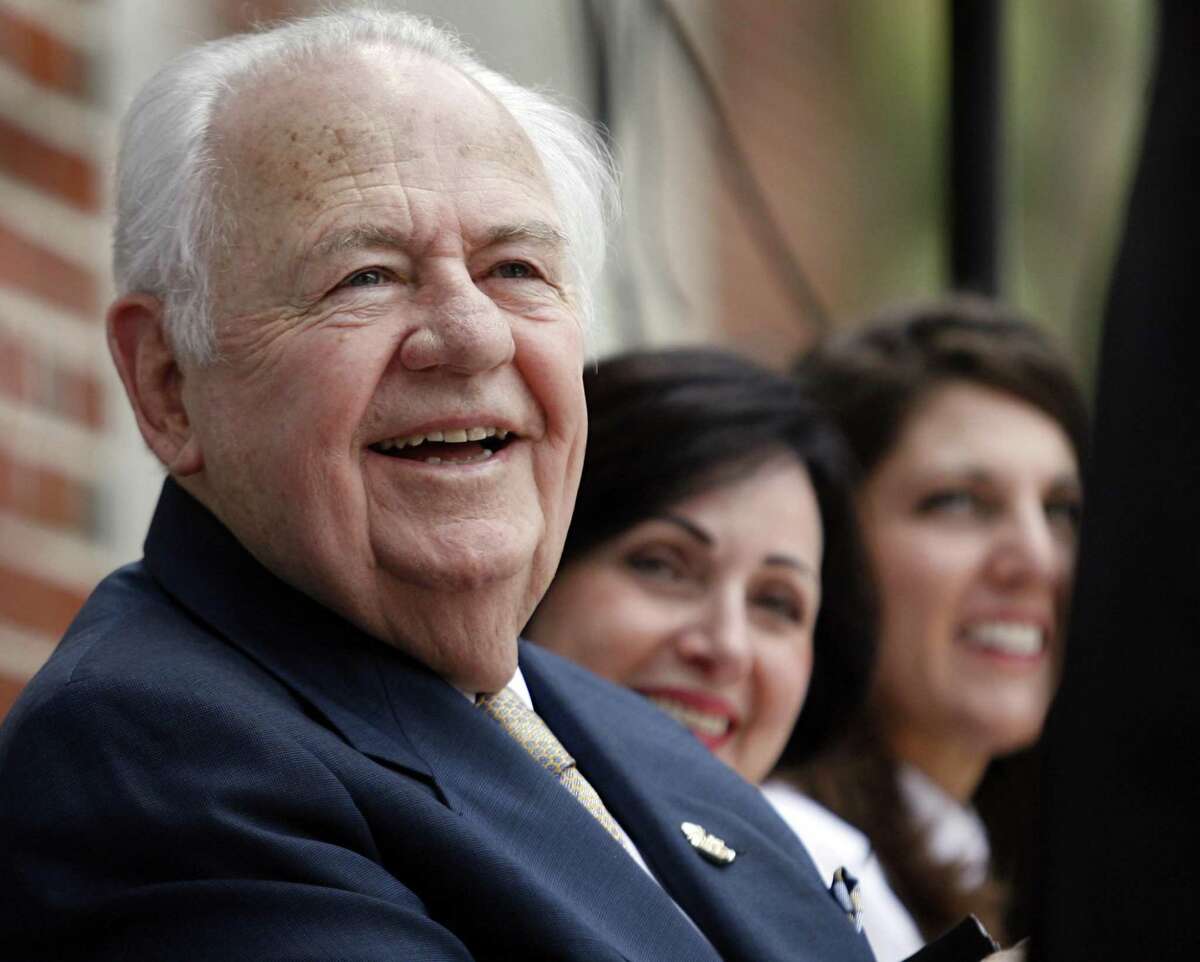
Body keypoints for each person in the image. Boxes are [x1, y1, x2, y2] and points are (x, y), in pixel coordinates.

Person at [0, 9, 878, 961]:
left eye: (516, 268)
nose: (472, 334)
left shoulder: (622, 731)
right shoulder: (158, 757)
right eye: (365, 276)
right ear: (169, 384)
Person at [526, 346, 933, 958]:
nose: (726, 647)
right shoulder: (412, 842)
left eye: (776, 602)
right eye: (663, 565)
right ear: (532, 562)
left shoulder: (830, 870)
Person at [772, 299, 1087, 953]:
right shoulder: (801, 862)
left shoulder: (980, 849)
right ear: (823, 543)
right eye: (960, 502)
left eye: (1062, 511)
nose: (1034, 560)